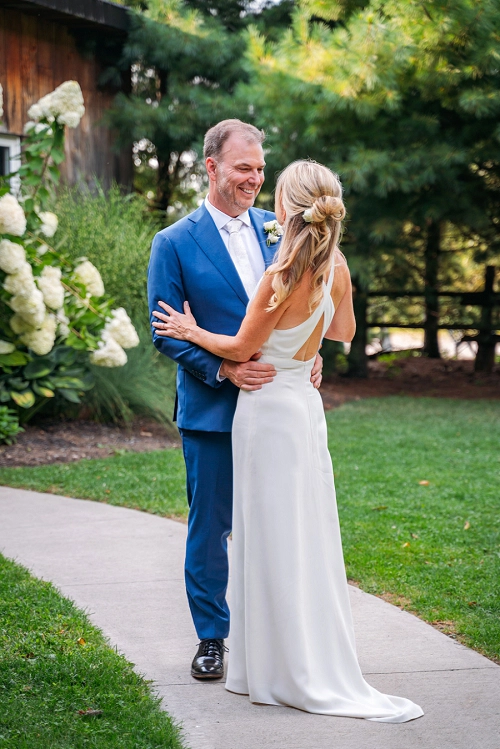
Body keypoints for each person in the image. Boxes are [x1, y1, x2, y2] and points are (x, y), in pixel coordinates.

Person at [152, 159, 424, 722]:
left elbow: (243, 345)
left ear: (286, 208)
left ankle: (278, 665)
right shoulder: (335, 268)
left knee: (268, 534)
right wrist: (307, 344)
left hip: (268, 411)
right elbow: (343, 331)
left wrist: (189, 329)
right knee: (305, 531)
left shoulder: (280, 275)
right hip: (302, 408)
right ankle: (292, 652)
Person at [147, 120, 323, 680]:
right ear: (213, 167)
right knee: (211, 527)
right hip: (212, 412)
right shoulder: (172, 242)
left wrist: (309, 350)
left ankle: (276, 636)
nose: (255, 178)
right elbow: (165, 329)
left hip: (277, 409)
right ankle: (212, 638)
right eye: (244, 168)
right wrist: (222, 368)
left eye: (260, 169)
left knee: (276, 522)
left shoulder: (283, 227)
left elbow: (314, 301)